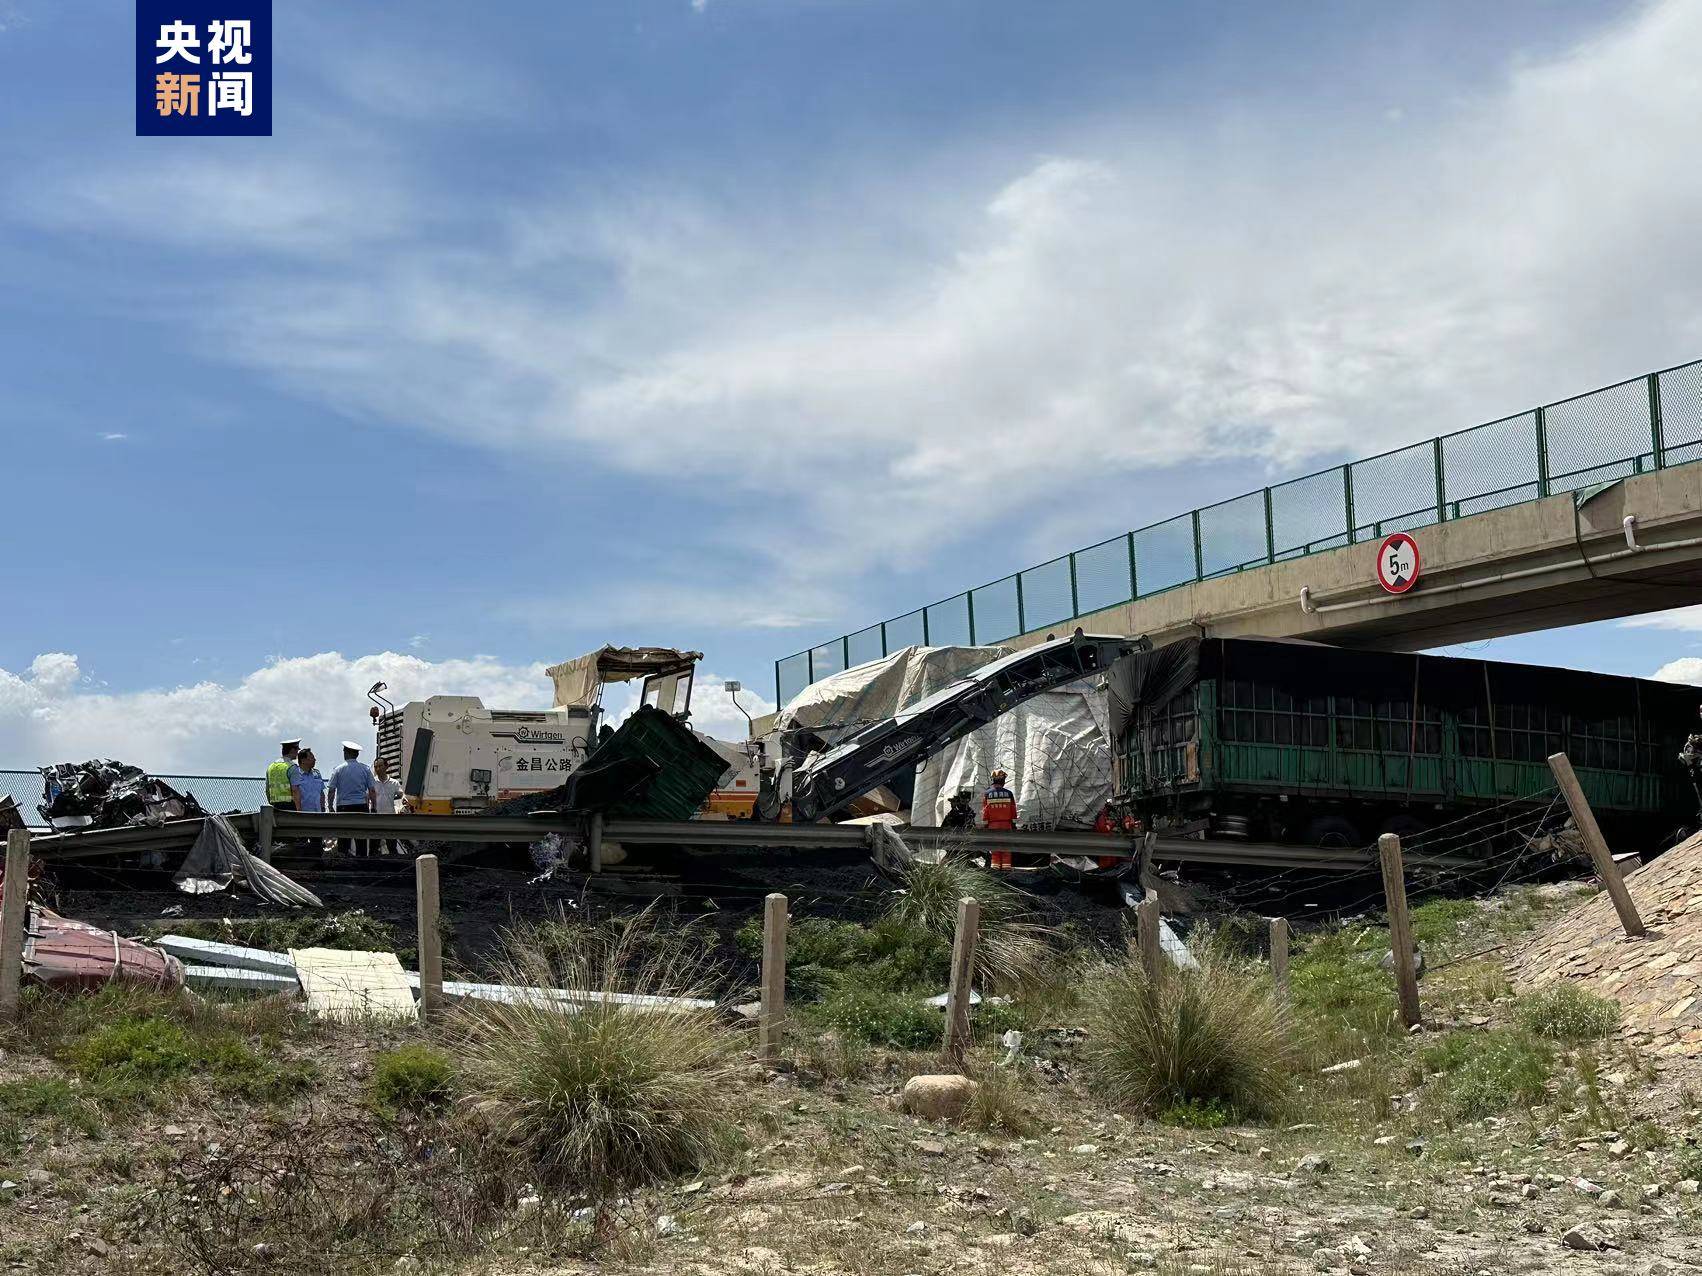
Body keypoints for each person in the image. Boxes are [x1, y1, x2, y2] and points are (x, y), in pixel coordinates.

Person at [329, 741, 377, 856]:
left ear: (346, 753)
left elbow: (331, 790)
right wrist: (374, 806)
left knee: (344, 838)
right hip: (361, 806)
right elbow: (372, 790)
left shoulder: (338, 769)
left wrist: (330, 806)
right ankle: (361, 863)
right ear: (357, 754)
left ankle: (342, 862)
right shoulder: (365, 769)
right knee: (361, 838)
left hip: (343, 807)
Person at [981, 767, 1017, 870]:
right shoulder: (1009, 793)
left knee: (995, 846)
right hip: (1007, 824)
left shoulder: (987, 794)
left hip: (993, 825)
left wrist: (985, 825)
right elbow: (1013, 810)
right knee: (1006, 846)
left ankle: (995, 867)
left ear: (993, 780)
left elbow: (985, 811)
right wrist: (1013, 824)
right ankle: (1006, 867)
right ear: (1003, 781)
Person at [371, 757, 406, 855]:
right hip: (375, 818)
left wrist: (404, 798)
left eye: (380, 766)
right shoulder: (372, 782)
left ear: (386, 766)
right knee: (374, 847)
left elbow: (401, 794)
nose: (377, 769)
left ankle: (393, 866)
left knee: (392, 846)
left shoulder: (394, 782)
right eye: (375, 767)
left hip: (390, 818)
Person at [266, 740, 300, 812]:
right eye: (297, 749)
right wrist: (299, 810)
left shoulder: (271, 767)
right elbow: (295, 790)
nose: (297, 752)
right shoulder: (292, 767)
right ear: (292, 750)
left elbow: (267, 790)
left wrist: (271, 803)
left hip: (274, 806)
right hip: (289, 807)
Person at [290, 747, 327, 813]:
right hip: (303, 814)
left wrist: (323, 808)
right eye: (312, 758)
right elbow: (294, 792)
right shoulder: (295, 774)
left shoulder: (317, 773)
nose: (315, 760)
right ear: (303, 760)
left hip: (318, 813)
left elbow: (321, 793)